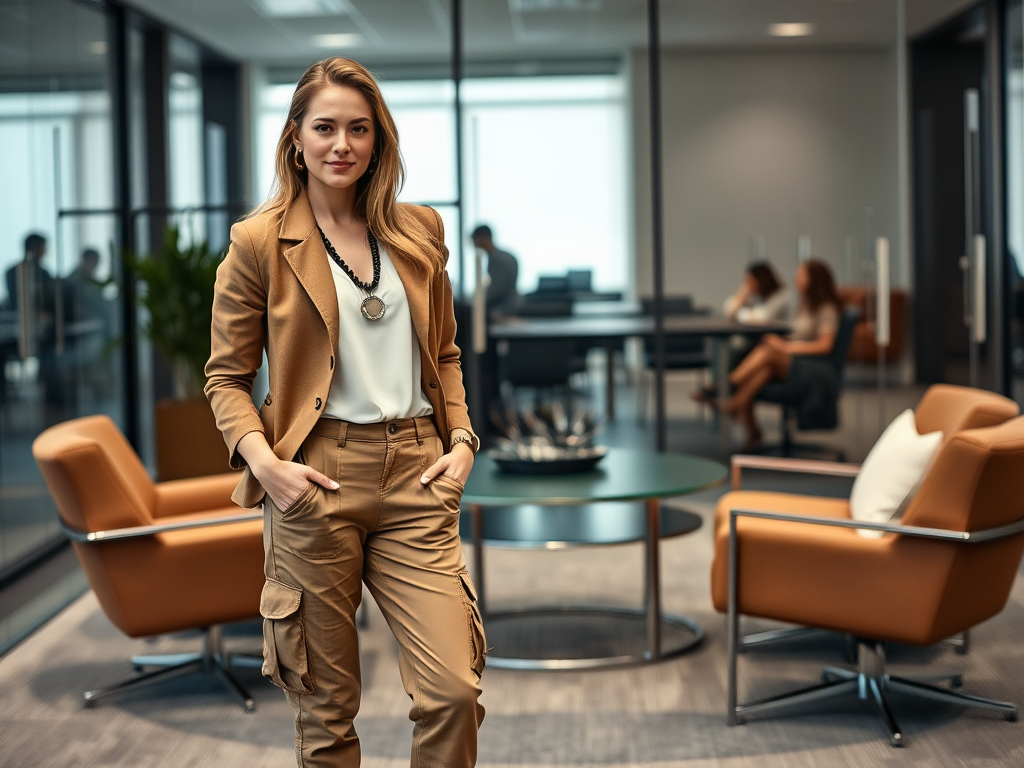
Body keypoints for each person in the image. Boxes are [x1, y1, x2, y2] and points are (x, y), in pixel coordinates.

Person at [205, 58, 485, 768]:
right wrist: (267, 467)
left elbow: (444, 354)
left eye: (359, 129)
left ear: (378, 139)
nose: (342, 144)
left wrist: (461, 438)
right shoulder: (258, 242)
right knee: (327, 715)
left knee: (452, 691)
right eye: (324, 127)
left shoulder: (419, 229)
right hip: (314, 479)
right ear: (295, 136)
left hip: (418, 473)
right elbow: (226, 377)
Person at [719, 258, 842, 452]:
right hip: (798, 362)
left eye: (801, 274)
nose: (796, 278)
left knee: (768, 353)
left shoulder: (826, 308)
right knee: (763, 369)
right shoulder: (805, 305)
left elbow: (824, 347)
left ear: (814, 279)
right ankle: (744, 416)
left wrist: (785, 347)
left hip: (815, 370)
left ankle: (729, 383)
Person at [471, 224, 519, 314]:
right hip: (508, 303)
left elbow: (497, 289)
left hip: (504, 307)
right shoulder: (504, 256)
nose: (474, 244)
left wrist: (475, 301)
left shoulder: (497, 259)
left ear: (484, 239)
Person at [722, 260, 790, 323]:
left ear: (762, 280)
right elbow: (729, 311)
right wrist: (741, 295)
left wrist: (737, 313)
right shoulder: (755, 295)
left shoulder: (781, 296)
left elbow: (761, 317)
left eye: (750, 281)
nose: (748, 285)